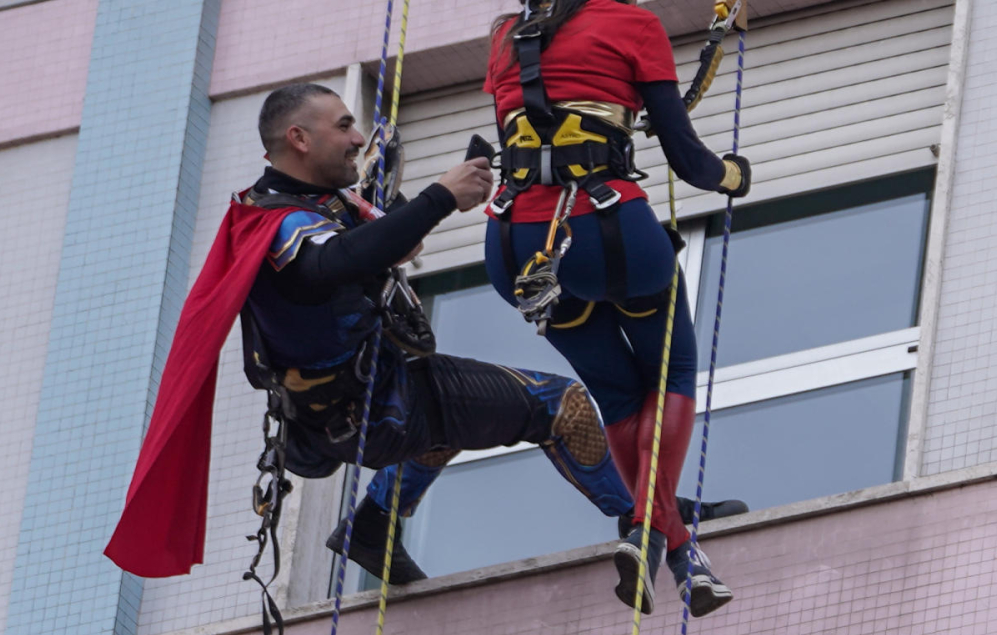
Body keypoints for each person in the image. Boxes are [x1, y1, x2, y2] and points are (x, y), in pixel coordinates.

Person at [108, 84, 645, 590]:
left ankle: (370, 527)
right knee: (563, 404)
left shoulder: (316, 204)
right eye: (343, 127)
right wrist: (439, 197)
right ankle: (645, 522)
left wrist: (411, 209)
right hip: (379, 404)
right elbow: (332, 264)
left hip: (370, 406)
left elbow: (385, 247)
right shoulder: (277, 222)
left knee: (450, 422)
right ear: (299, 138)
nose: (357, 139)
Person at [483, 0, 753, 618]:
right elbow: (690, 161)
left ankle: (674, 545)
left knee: (620, 397)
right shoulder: (634, 26)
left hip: (517, 246)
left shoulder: (506, 39)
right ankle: (645, 527)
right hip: (612, 232)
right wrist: (735, 176)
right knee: (671, 373)